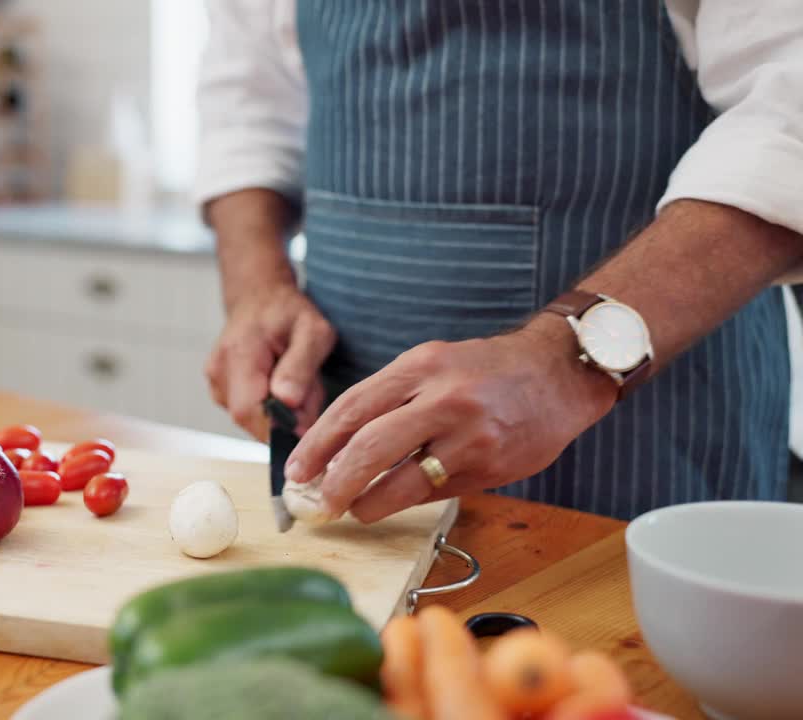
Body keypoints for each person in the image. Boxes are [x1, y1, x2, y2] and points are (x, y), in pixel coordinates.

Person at [198, 0, 803, 521]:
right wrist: (256, 284)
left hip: (647, 424)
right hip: (345, 396)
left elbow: (788, 105)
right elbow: (247, 100)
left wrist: (568, 363)